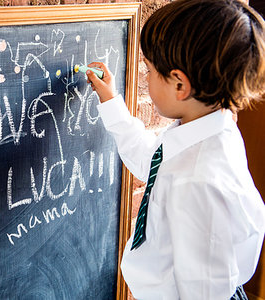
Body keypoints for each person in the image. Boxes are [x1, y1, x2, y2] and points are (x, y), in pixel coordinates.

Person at [86, 0, 265, 299]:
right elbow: (150, 161)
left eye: (150, 71)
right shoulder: (205, 129)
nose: (145, 78)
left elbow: (203, 292)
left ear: (180, 84)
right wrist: (112, 103)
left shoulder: (198, 182)